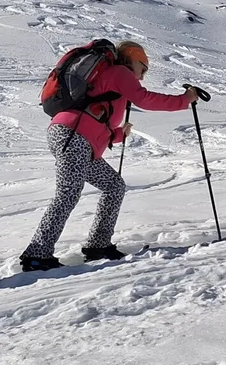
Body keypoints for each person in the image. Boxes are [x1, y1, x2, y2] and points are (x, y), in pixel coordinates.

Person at [20, 41, 197, 271]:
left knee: (114, 186)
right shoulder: (120, 72)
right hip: (73, 136)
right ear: (133, 59)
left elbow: (95, 118)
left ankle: (98, 245)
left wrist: (117, 135)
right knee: (68, 194)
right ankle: (37, 254)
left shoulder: (111, 77)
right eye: (142, 69)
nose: (142, 77)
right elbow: (145, 99)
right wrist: (184, 100)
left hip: (74, 137)